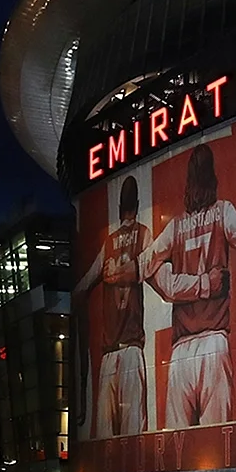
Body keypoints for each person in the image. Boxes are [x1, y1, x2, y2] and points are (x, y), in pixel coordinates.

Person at [140, 143, 236, 428]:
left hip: (181, 349)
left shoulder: (174, 227)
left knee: (179, 447)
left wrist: (178, 286)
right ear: (213, 177)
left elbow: (144, 266)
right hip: (215, 340)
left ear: (188, 183)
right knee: (217, 439)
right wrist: (205, 284)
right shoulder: (224, 212)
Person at [78, 175, 152, 438]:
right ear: (137, 203)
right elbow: (150, 267)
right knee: (135, 437)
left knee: (105, 439)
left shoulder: (108, 242)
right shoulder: (144, 233)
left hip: (109, 353)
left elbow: (86, 282)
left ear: (119, 207)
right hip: (131, 348)